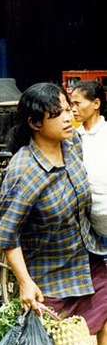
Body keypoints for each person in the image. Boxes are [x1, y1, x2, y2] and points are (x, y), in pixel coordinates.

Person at [0, 82, 107, 345]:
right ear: (35, 123)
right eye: (58, 113)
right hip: (49, 281)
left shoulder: (72, 144)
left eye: (69, 109)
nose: (69, 117)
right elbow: (8, 235)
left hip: (87, 264)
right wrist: (25, 283)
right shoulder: (23, 171)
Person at [71, 81, 107, 236]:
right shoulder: (72, 136)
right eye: (71, 104)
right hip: (83, 224)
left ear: (96, 103)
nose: (73, 109)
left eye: (77, 103)